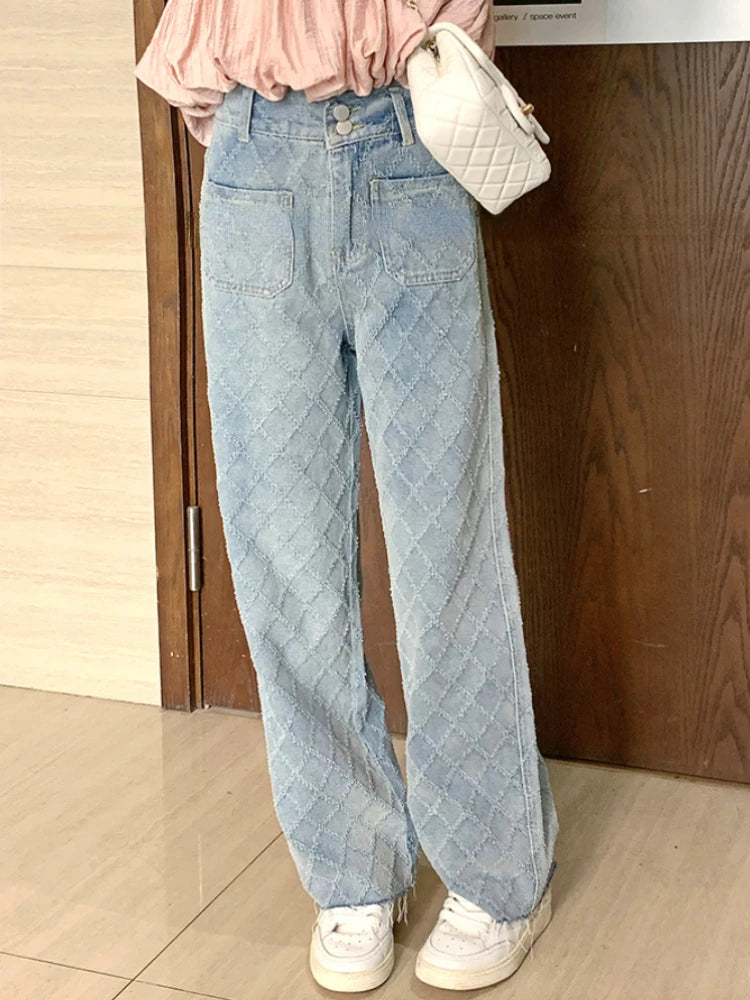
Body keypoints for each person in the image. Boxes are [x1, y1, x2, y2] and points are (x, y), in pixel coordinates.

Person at [134, 0, 559, 992]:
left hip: (414, 131)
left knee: (446, 548)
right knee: (283, 553)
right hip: (254, 150)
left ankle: (499, 871)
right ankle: (353, 866)